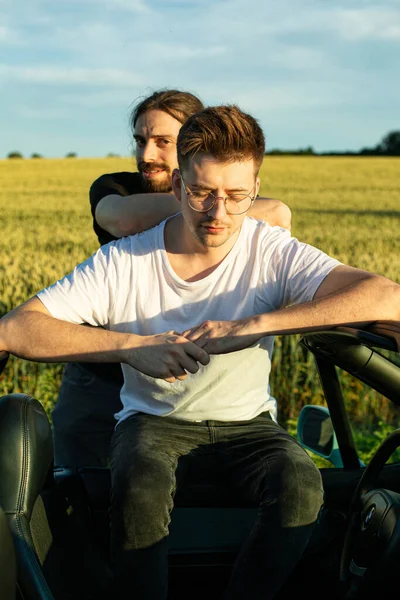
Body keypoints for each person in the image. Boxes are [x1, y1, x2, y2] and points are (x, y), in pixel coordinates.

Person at [3, 104, 399, 600]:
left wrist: (254, 325)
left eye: (236, 197)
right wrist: (132, 348)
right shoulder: (125, 259)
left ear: (256, 190)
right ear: (176, 188)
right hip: (151, 421)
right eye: (201, 193)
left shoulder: (270, 248)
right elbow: (17, 328)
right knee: (139, 486)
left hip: (249, 425)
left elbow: (384, 295)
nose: (218, 214)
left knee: (302, 485)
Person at [53, 89, 292, 469]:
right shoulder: (114, 187)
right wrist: (202, 198)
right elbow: (123, 219)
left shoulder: (216, 200)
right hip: (99, 377)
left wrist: (202, 195)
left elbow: (279, 216)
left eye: (164, 142)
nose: (146, 155)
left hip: (181, 389)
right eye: (140, 140)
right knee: (83, 489)